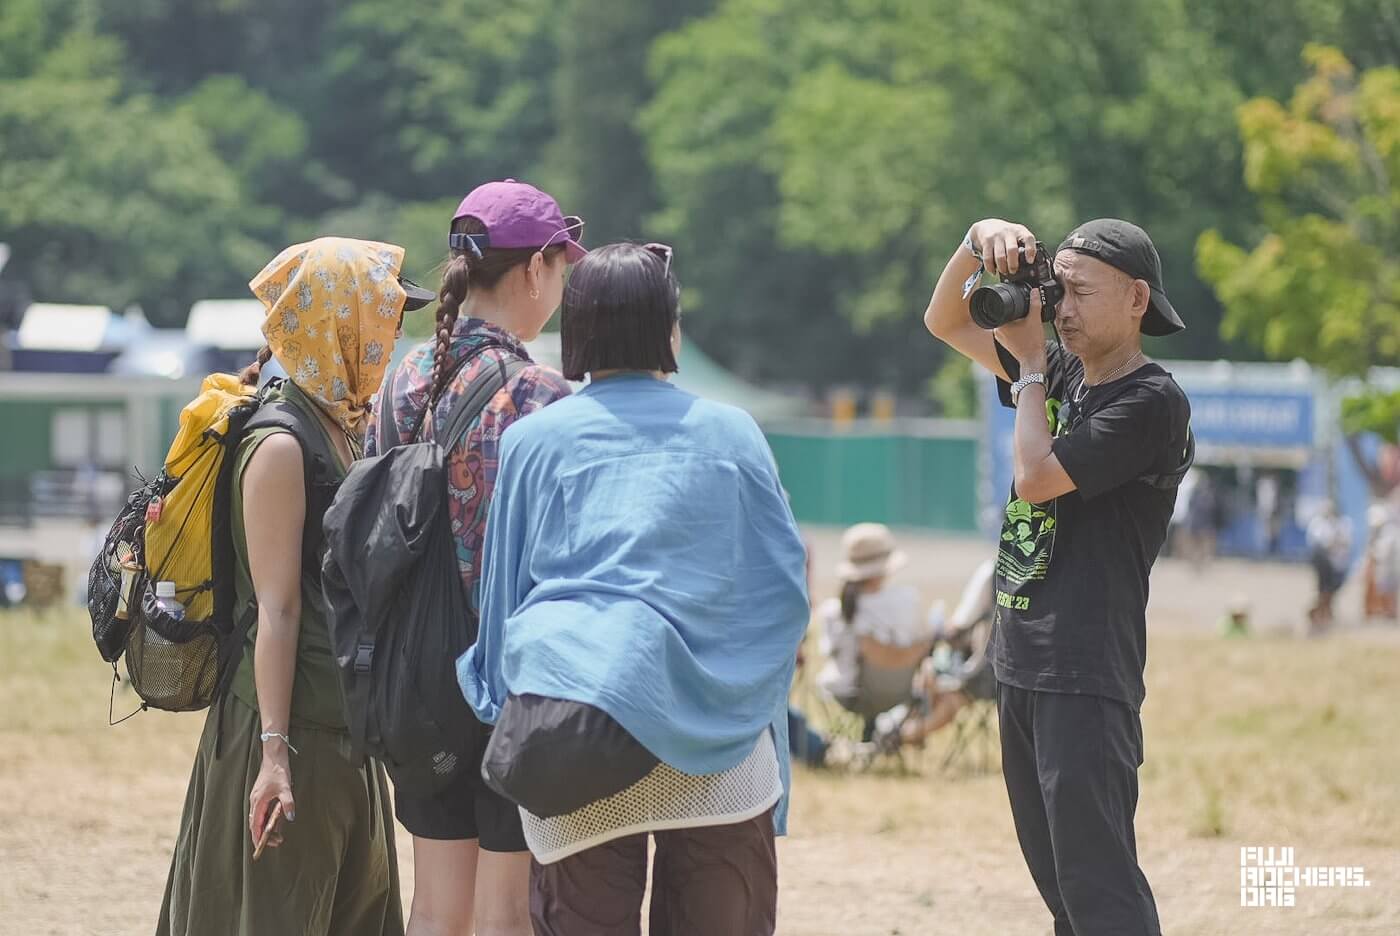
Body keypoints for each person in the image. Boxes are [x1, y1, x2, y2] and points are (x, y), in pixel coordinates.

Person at [459, 242, 809, 936]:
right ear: (670, 330)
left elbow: (500, 602)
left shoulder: (536, 440)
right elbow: (783, 593)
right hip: (718, 745)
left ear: (577, 331)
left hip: (578, 732)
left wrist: (508, 715)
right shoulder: (733, 433)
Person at [157, 237, 436, 936]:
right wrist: (274, 757)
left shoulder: (342, 424)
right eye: (388, 314)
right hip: (285, 738)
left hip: (342, 732)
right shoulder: (282, 444)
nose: (397, 331)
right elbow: (277, 610)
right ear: (341, 320)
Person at [925, 217, 1192, 936]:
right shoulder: (1061, 369)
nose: (1061, 310)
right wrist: (979, 240)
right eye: (1055, 290)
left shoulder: (1152, 401)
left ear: (1137, 299)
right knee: (1061, 892)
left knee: (1098, 887)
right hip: (1021, 662)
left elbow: (1038, 479)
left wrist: (1032, 369)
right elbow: (945, 317)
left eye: (1078, 294)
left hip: (1085, 668)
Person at [366, 179, 584, 936]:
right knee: (505, 915)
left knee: (435, 907)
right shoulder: (543, 396)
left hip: (412, 675)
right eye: (561, 268)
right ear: (535, 271)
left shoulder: (400, 379)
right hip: (510, 677)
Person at [817, 523, 938, 741]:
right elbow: (923, 642)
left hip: (852, 695)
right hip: (901, 692)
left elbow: (828, 651)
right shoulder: (907, 602)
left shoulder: (834, 612)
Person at [1307, 499, 1352, 633]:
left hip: (1337, 563)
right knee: (1325, 590)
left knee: (1331, 590)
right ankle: (1321, 614)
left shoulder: (1342, 523)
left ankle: (1324, 613)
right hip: (1323, 563)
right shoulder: (1318, 524)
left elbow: (1345, 543)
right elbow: (1323, 544)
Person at [1362, 503, 1399, 623]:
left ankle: (1390, 613)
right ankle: (1377, 612)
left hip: (1388, 567)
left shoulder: (1390, 532)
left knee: (1388, 590)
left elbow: (1383, 552)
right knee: (1377, 590)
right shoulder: (1374, 534)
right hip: (1380, 567)